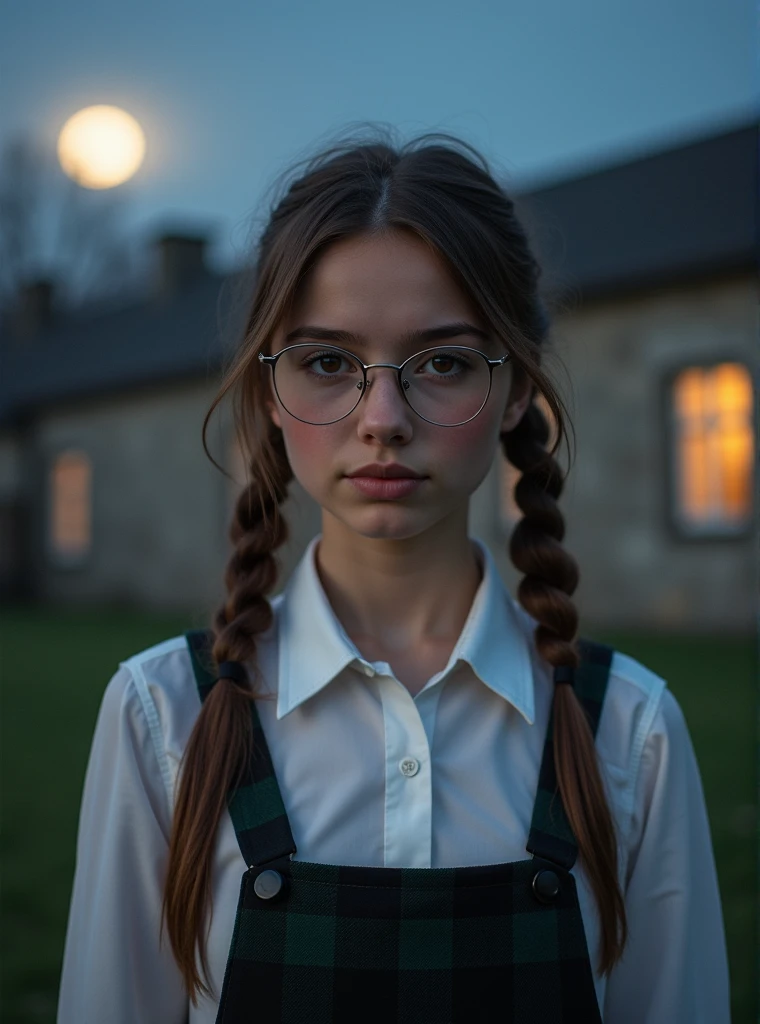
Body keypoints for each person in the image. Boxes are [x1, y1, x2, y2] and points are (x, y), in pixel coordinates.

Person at [57, 129, 730, 1023]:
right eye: (328, 362)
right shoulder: (161, 719)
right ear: (269, 387)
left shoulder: (630, 732)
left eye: (443, 363)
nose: (383, 417)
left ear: (517, 388)